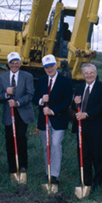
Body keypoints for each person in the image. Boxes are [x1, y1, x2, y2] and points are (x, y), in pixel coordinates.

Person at [33, 54, 73, 191]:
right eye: (46, 67)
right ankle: (48, 172)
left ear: (56, 66)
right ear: (44, 68)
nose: (49, 69)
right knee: (46, 146)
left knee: (56, 144)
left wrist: (53, 111)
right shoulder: (42, 80)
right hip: (43, 120)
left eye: (51, 66)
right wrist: (41, 101)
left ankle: (55, 175)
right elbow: (35, 97)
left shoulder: (65, 81)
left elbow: (67, 100)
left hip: (58, 119)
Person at [0, 51, 35, 184]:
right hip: (9, 114)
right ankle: (12, 168)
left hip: (22, 112)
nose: (14, 65)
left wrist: (17, 102)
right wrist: (7, 95)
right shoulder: (2, 78)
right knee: (9, 140)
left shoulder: (27, 76)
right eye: (12, 63)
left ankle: (23, 166)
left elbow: (30, 94)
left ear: (20, 63)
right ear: (8, 64)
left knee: (20, 138)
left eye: (17, 62)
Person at [72, 63, 102, 189]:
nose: (88, 75)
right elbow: (74, 107)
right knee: (83, 154)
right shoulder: (79, 87)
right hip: (81, 127)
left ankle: (97, 182)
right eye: (86, 73)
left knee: (97, 154)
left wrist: (87, 114)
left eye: (91, 72)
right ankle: (85, 180)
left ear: (95, 73)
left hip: (96, 127)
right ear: (82, 75)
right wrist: (75, 103)